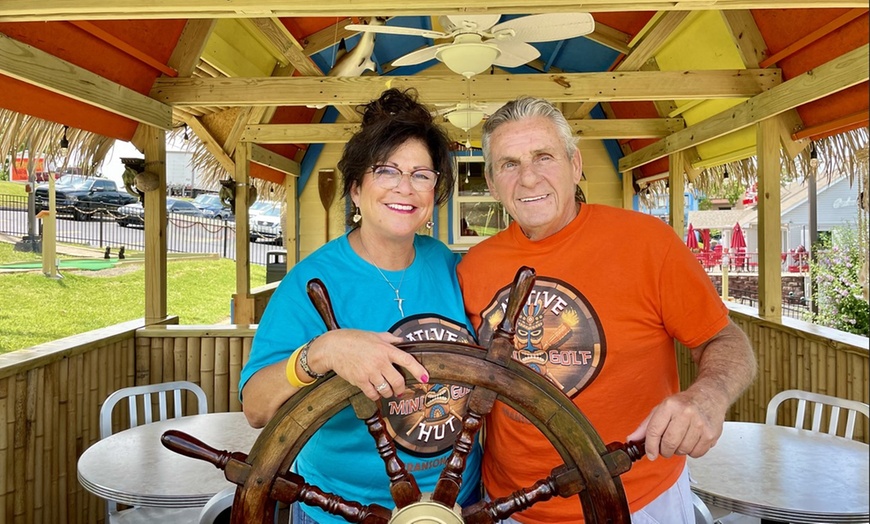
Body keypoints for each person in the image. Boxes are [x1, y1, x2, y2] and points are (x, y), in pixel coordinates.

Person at [457, 96, 756, 523]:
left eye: (544, 156)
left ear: (575, 164)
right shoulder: (474, 267)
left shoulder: (648, 243)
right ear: (491, 182)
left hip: (639, 498)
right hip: (511, 505)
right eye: (509, 164)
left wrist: (708, 396)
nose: (528, 178)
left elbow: (722, 338)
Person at [241, 88, 481, 523]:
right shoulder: (311, 281)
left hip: (457, 502)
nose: (405, 188)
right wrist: (322, 352)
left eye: (421, 175)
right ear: (355, 189)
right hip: (343, 509)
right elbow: (256, 408)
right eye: (386, 171)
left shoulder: (445, 261)